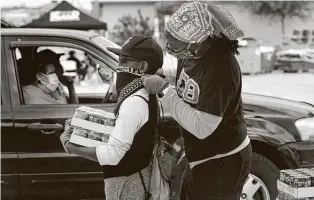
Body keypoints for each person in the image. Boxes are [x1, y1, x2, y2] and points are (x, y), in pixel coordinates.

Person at [141, 2, 252, 200]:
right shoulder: (191, 53)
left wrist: (164, 90)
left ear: (197, 42)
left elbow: (203, 127)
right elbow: (188, 80)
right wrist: (162, 75)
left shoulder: (220, 69)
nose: (170, 49)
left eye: (174, 45)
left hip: (222, 161)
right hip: (201, 157)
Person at [60, 35, 164, 200]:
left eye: (124, 61)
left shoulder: (135, 101)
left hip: (129, 185)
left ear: (143, 67)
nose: (119, 66)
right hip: (134, 179)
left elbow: (113, 155)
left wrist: (70, 146)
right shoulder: (141, 94)